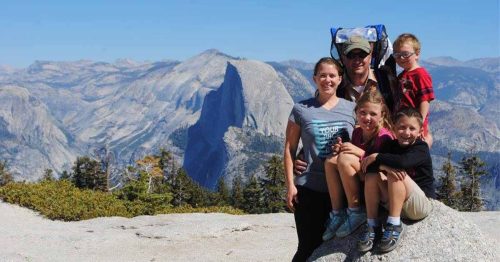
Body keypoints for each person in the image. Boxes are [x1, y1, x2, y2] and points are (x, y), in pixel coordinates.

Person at [284, 57, 356, 262]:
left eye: (332, 75)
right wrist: (290, 185)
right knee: (307, 247)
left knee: (337, 249)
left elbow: (361, 143)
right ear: (314, 78)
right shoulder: (301, 109)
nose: (327, 80)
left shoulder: (351, 109)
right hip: (310, 189)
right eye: (322, 75)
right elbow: (289, 149)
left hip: (343, 191)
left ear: (340, 79)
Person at [295, 35, 397, 174]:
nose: (357, 60)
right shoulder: (335, 86)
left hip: (381, 154)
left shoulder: (385, 81)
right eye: (351, 55)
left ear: (370, 55)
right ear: (343, 57)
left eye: (362, 54)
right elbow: (319, 120)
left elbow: (400, 114)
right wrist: (303, 154)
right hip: (347, 161)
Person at [358, 108, 436, 253]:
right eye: (402, 127)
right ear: (394, 128)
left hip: (419, 205)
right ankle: (373, 224)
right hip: (395, 200)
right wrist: (382, 165)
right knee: (372, 175)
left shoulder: (421, 148)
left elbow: (403, 162)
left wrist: (377, 157)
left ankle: (394, 224)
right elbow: (367, 167)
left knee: (396, 173)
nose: (406, 133)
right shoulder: (389, 146)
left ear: (420, 132)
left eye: (412, 128)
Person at [322, 88, 394, 241]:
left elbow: (386, 166)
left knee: (345, 159)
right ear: (356, 112)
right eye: (362, 113)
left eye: (373, 114)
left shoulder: (385, 137)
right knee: (330, 161)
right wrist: (342, 149)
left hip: (382, 188)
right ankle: (338, 212)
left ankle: (356, 211)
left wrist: (358, 152)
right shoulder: (357, 133)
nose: (367, 118)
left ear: (382, 115)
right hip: (365, 180)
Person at [393, 33, 435, 147]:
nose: (401, 58)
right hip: (403, 125)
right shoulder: (402, 75)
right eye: (397, 55)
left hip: (414, 128)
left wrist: (419, 126)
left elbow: (425, 101)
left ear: (417, 54)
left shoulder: (420, 75)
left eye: (405, 54)